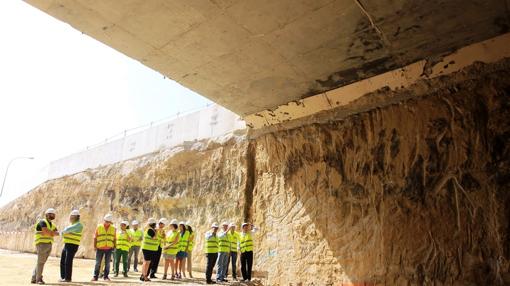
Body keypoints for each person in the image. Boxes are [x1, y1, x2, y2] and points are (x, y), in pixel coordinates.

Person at [31, 208, 59, 284]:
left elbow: (57, 233)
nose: (53, 215)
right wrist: (50, 233)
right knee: (41, 262)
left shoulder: (52, 225)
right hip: (41, 244)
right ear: (47, 215)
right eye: (51, 214)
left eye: (54, 214)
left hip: (49, 244)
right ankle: (38, 279)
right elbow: (46, 232)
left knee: (41, 262)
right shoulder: (42, 222)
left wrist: (49, 232)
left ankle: (34, 278)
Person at [59, 209, 83, 282]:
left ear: (75, 217)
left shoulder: (79, 225)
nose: (70, 218)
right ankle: (63, 277)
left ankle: (68, 278)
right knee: (63, 261)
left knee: (68, 261)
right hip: (67, 244)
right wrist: (65, 232)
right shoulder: (73, 225)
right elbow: (64, 232)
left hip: (72, 245)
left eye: (71, 216)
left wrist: (65, 231)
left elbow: (65, 230)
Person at [92, 214, 116, 281]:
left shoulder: (113, 228)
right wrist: (94, 246)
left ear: (110, 222)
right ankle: (95, 276)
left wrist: (115, 246)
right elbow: (95, 237)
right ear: (104, 220)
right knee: (97, 263)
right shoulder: (99, 227)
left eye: (108, 222)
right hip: (100, 248)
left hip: (109, 248)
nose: (107, 223)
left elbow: (114, 238)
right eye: (106, 221)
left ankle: (106, 277)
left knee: (107, 263)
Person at [140, 218, 158, 282]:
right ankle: (145, 276)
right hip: (147, 248)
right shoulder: (150, 230)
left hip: (147, 248)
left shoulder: (148, 229)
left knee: (145, 262)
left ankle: (143, 275)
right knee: (147, 262)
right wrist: (157, 232)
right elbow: (154, 237)